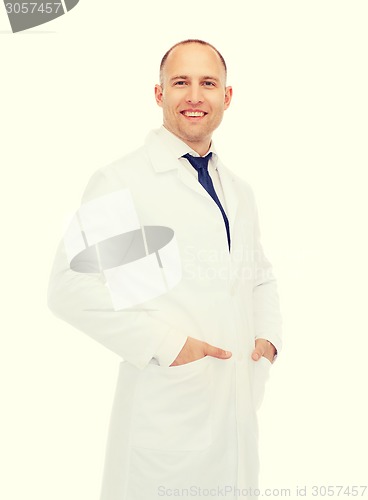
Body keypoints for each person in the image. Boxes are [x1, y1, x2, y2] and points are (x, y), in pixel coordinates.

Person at [48, 39, 282, 500]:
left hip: (234, 414)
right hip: (167, 419)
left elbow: (259, 275)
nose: (195, 96)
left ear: (226, 97)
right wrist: (170, 346)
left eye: (208, 83)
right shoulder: (124, 181)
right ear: (159, 95)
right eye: (180, 83)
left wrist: (268, 340)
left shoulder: (238, 190)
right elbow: (70, 287)